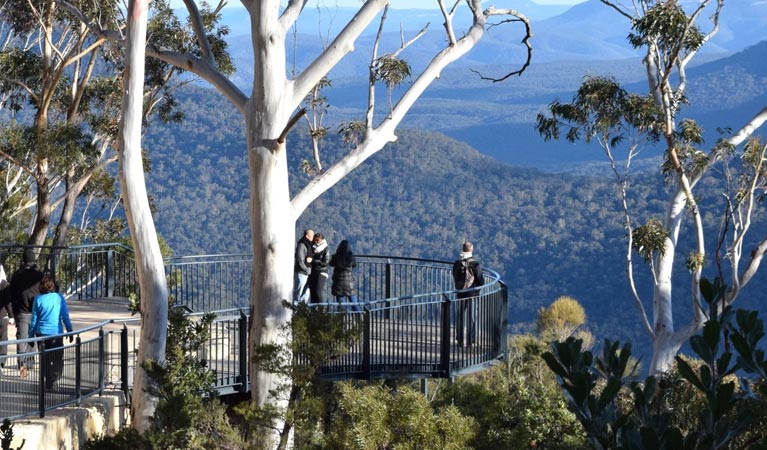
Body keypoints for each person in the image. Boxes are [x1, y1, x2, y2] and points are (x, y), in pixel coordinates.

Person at [30, 274, 73, 390]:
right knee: (58, 358)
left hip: (41, 333)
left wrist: (30, 335)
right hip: (56, 333)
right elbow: (65, 316)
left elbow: (34, 319)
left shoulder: (38, 299)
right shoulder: (59, 298)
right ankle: (55, 377)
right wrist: (70, 330)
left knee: (45, 359)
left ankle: (48, 382)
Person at [10, 248, 43, 378]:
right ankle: (30, 362)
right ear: (34, 261)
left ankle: (22, 365)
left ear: (23, 261)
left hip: (21, 312)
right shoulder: (39, 276)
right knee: (33, 338)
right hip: (36, 311)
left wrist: (13, 311)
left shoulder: (17, 275)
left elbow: (12, 294)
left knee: (22, 339)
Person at [452, 241, 484, 347]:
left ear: (463, 249)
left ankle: (460, 339)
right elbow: (480, 279)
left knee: (460, 316)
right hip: (472, 293)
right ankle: (472, 340)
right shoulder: (475, 264)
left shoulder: (457, 263)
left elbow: (454, 276)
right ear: (471, 249)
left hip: (460, 293)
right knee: (472, 317)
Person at [330, 240, 360, 311]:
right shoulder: (351, 257)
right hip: (349, 282)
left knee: (341, 302)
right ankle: (359, 317)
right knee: (353, 301)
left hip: (338, 282)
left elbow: (331, 263)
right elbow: (354, 265)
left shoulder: (336, 256)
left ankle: (341, 319)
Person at [308, 233, 330, 303]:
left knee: (318, 292)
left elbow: (325, 263)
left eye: (318, 240)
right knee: (312, 293)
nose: (316, 242)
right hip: (313, 272)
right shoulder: (313, 248)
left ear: (322, 240)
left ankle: (321, 310)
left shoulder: (326, 249)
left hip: (322, 272)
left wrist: (313, 261)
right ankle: (313, 311)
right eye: (315, 240)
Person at [294, 229, 314, 303]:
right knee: (298, 293)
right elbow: (300, 259)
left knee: (306, 293)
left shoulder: (309, 245)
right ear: (307, 235)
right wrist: (306, 269)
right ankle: (295, 310)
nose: (313, 237)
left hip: (307, 273)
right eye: (311, 235)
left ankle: (302, 309)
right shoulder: (302, 245)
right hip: (301, 273)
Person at [0, 271, 11, 369]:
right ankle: (1, 362)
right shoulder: (4, 285)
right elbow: (8, 303)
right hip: (2, 316)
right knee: (3, 339)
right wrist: (11, 316)